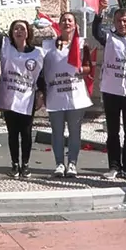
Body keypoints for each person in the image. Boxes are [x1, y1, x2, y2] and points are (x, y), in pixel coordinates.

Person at [92, 0, 126, 182]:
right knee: (113, 132)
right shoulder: (109, 37)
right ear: (114, 22)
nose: (122, 24)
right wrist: (100, 12)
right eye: (118, 21)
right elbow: (96, 31)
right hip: (111, 91)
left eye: (125, 21)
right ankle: (114, 166)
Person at [0, 11, 45, 178]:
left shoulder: (37, 53)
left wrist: (41, 94)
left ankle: (25, 164)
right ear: (12, 32)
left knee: (26, 132)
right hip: (9, 97)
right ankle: (14, 164)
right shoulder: (6, 47)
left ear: (28, 32)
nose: (19, 31)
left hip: (27, 98)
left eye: (23, 29)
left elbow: (40, 76)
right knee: (12, 133)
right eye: (16, 29)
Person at [40, 13, 94, 177]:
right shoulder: (49, 45)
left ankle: (72, 163)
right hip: (55, 95)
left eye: (70, 20)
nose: (66, 23)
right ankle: (59, 164)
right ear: (59, 24)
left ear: (75, 25)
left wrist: (79, 69)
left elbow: (88, 68)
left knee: (74, 131)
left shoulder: (81, 44)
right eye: (63, 20)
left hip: (75, 96)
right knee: (57, 132)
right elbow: (43, 70)